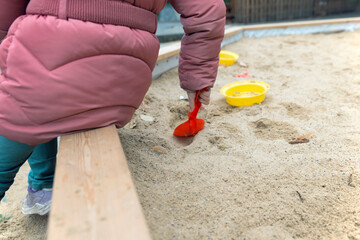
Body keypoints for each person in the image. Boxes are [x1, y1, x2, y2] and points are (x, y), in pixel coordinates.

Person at [0, 0, 226, 215]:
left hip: (48, 55)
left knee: (29, 102)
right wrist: (198, 82)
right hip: (128, 76)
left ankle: (43, 184)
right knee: (42, 106)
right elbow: (208, 11)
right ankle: (42, 185)